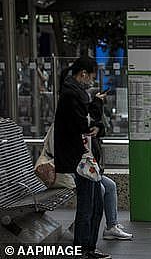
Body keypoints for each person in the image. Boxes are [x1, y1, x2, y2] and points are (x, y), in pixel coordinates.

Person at [53, 57, 111, 259]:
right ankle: (83, 248)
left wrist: (96, 122)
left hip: (86, 157)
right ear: (83, 74)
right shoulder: (71, 95)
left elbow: (91, 123)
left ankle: (89, 247)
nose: (92, 81)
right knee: (88, 206)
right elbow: (83, 123)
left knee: (96, 204)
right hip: (79, 158)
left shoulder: (77, 93)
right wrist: (97, 103)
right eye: (91, 77)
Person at [87, 91, 133, 241]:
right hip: (77, 171)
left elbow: (99, 126)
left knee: (110, 186)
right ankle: (83, 226)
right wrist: (96, 104)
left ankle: (111, 226)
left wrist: (98, 128)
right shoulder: (72, 117)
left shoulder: (87, 117)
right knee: (99, 189)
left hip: (90, 169)